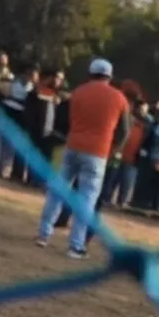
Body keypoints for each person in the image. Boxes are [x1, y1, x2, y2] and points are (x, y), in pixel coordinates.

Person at [34, 58, 130, 259]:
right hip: (98, 152)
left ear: (90, 74)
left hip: (74, 145)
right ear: (109, 77)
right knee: (86, 200)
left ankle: (43, 234)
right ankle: (76, 246)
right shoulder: (119, 98)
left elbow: (71, 118)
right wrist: (114, 149)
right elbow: (124, 131)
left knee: (58, 190)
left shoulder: (78, 92)